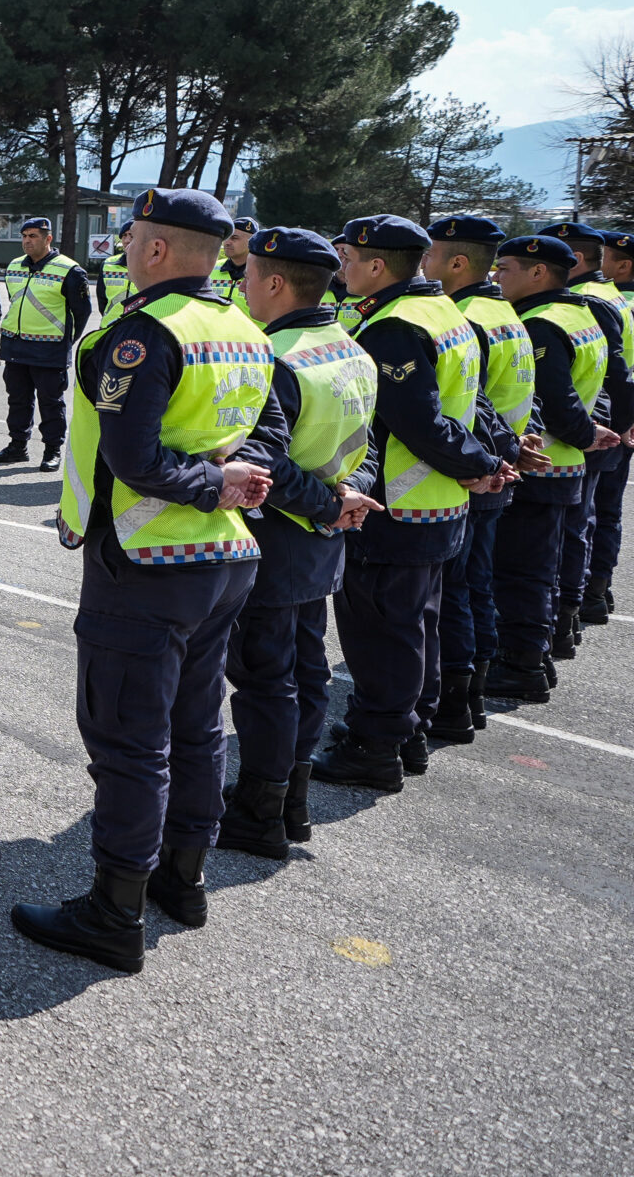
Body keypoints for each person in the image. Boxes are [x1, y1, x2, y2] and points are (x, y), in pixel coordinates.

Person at [10, 188, 277, 973]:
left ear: (156, 249)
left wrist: (212, 483)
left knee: (129, 738)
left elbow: (134, 460)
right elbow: (268, 432)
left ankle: (114, 911)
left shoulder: (144, 332)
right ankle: (182, 880)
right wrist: (233, 478)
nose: (123, 249)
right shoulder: (243, 327)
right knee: (195, 725)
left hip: (147, 559)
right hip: (224, 559)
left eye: (131, 238)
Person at [308, 215, 508, 793]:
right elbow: (468, 405)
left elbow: (418, 422)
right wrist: (485, 461)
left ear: (377, 265)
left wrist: (479, 465)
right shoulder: (443, 311)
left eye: (348, 259)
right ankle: (409, 732)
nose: (341, 268)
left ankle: (376, 747)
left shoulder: (395, 326)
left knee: (381, 634)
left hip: (395, 508)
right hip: (438, 503)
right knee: (417, 626)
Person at [218, 228, 382, 859]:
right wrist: (347, 498)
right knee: (306, 672)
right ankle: (293, 802)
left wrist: (327, 505)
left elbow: (267, 464)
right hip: (324, 539)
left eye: (248, 275)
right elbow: (367, 446)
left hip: (279, 534)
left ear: (276, 282)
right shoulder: (352, 349)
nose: (242, 286)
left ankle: (258, 814)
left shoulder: (272, 355)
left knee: (266, 679)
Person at [483, 236, 624, 703]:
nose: (496, 276)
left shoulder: (540, 323)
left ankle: (521, 663)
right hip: (565, 464)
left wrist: (584, 433)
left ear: (538, 272)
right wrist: (591, 432)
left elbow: (555, 400)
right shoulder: (580, 313)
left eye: (505, 268)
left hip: (539, 463)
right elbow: (600, 382)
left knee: (520, 570)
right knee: (548, 562)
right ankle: (546, 644)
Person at [423, 214, 534, 742]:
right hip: (493, 466)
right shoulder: (503, 311)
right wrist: (511, 450)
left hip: (471, 473)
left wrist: (488, 463)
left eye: (430, 254)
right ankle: (472, 696)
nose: (422, 263)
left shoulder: (460, 316)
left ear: (457, 262)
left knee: (455, 594)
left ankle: (454, 703)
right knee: (474, 586)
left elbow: (468, 406)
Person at [537, 221, 634, 660]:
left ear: (573, 259)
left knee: (567, 535)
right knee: (588, 523)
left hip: (583, 433)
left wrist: (619, 422)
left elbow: (612, 372)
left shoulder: (583, 303)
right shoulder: (612, 297)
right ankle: (585, 602)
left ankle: (572, 611)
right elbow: (628, 366)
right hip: (600, 426)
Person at [584, 228, 634, 620]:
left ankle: (589, 592)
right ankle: (599, 587)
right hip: (626, 412)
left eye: (603, 256)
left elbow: (617, 366)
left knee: (593, 511)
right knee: (607, 509)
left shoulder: (608, 302)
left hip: (612, 416)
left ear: (623, 265)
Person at [0, 216, 93, 470]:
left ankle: (52, 450)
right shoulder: (15, 265)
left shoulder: (70, 270)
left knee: (51, 403)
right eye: (24, 236)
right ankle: (18, 446)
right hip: (16, 347)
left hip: (49, 350)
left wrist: (66, 340)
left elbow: (82, 312)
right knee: (17, 400)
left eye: (33, 236)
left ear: (48, 238)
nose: (27, 241)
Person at [210, 217, 257, 309]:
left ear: (251, 242)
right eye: (226, 237)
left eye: (234, 238)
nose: (227, 242)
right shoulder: (211, 268)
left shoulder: (262, 273)